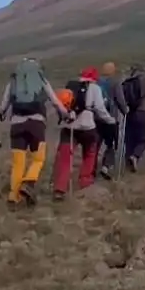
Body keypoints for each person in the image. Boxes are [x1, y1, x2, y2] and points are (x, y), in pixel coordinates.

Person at [0, 57, 65, 208]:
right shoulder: (41, 79)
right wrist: (65, 113)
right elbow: (55, 101)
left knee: (18, 163)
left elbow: (3, 104)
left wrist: (2, 113)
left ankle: (13, 197)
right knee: (38, 158)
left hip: (16, 124)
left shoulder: (14, 81)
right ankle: (28, 182)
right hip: (36, 124)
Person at [52, 67, 116, 200]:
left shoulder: (71, 86)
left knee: (65, 158)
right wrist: (110, 120)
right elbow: (99, 108)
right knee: (90, 154)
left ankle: (60, 188)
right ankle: (85, 183)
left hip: (69, 127)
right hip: (88, 127)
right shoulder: (94, 88)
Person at [96, 61, 129, 180]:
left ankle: (91, 167)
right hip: (111, 119)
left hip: (96, 118)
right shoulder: (115, 82)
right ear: (112, 71)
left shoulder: (96, 82)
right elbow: (120, 99)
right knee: (111, 145)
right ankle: (106, 166)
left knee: (96, 144)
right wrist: (125, 110)